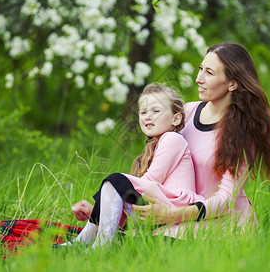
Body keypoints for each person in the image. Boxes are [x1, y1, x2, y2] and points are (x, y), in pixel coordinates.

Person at [73, 42, 270, 239]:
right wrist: (106, 209)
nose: (199, 78)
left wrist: (172, 214)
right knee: (133, 238)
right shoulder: (187, 112)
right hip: (175, 212)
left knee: (149, 242)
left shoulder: (243, 131)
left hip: (220, 222)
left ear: (232, 83)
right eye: (201, 68)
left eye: (209, 72)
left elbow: (226, 200)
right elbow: (159, 175)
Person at [64, 83, 200, 248]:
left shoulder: (173, 139)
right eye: (143, 112)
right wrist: (102, 207)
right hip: (159, 207)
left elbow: (150, 182)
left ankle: (97, 246)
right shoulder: (154, 146)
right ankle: (83, 242)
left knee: (115, 181)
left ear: (176, 118)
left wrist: (113, 192)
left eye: (156, 111)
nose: (148, 116)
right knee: (114, 185)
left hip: (173, 208)